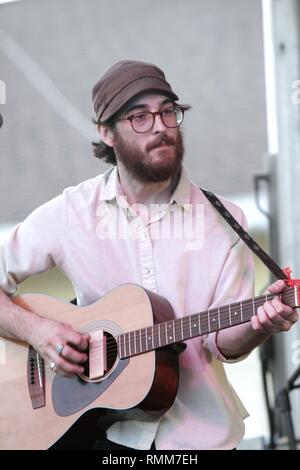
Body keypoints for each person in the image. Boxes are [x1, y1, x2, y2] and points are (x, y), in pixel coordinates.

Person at [0, 60, 298, 450]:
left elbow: (222, 344)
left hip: (200, 439)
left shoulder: (226, 220)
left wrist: (262, 323)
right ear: (106, 133)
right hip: (101, 437)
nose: (160, 126)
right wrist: (39, 332)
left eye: (168, 113)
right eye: (139, 117)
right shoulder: (71, 214)